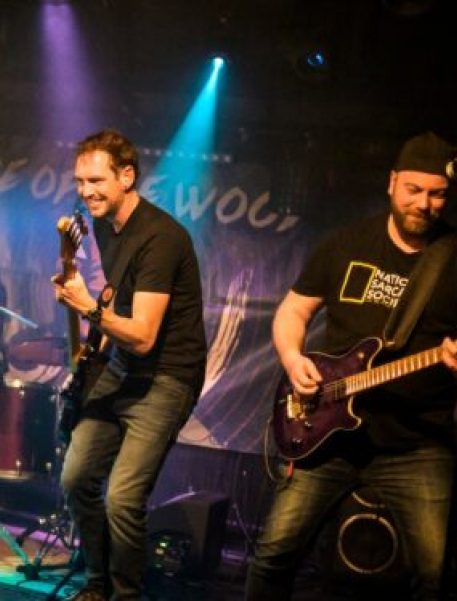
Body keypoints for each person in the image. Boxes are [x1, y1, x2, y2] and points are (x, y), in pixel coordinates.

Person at [246, 131, 457, 600]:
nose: (424, 203)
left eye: (437, 194)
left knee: (435, 570)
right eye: (414, 190)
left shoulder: (452, 259)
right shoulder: (346, 244)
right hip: (327, 433)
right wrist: (293, 358)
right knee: (274, 553)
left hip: (417, 443)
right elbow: (293, 312)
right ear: (392, 182)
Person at [52, 128, 207, 600]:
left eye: (96, 180)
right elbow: (122, 291)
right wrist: (95, 325)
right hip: (121, 368)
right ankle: (96, 584)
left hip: (166, 377)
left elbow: (142, 336)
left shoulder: (161, 238)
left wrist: (88, 309)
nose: (85, 191)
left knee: (122, 497)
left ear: (126, 176)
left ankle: (126, 594)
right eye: (80, 180)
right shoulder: (104, 224)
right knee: (76, 478)